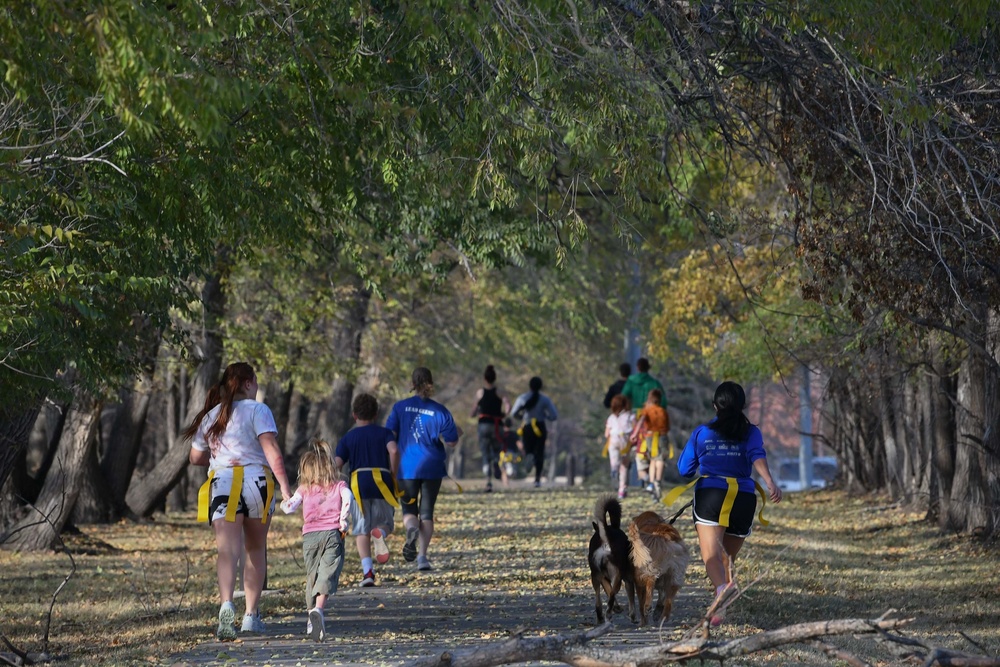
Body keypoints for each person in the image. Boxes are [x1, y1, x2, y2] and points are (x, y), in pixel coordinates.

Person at [185, 362, 293, 641]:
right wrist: (286, 489)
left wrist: (221, 456)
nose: (256, 387)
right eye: (255, 382)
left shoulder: (212, 415)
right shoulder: (259, 410)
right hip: (257, 482)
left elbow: (195, 458)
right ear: (248, 383)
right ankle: (250, 616)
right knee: (255, 548)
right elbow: (273, 452)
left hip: (223, 483)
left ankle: (226, 606)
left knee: (226, 551)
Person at [675, 381, 782, 626]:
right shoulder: (751, 432)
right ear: (742, 406)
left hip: (711, 495)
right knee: (727, 559)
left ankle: (722, 589)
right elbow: (757, 454)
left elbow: (684, 470)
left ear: (715, 406)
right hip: (743, 499)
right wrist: (770, 482)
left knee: (712, 557)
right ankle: (719, 609)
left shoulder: (702, 433)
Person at [386, 367, 461, 571]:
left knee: (409, 510)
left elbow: (389, 435)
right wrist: (457, 431)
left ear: (412, 384)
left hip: (406, 467)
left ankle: (411, 530)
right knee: (427, 513)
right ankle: (422, 557)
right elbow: (452, 441)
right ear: (431, 383)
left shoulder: (400, 407)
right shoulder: (440, 411)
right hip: (432, 467)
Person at [280, 440, 352, 643]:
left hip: (309, 536)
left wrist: (286, 499)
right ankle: (318, 610)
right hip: (332, 534)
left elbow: (289, 508)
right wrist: (343, 520)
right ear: (330, 466)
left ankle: (311, 619)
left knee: (312, 576)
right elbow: (348, 499)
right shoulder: (339, 485)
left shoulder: (304, 488)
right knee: (327, 574)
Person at [334, 393, 400, 588]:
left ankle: (368, 572)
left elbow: (337, 464)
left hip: (358, 485)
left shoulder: (348, 437)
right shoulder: (385, 433)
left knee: (361, 530)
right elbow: (394, 451)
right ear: (376, 414)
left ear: (355, 415)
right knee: (385, 522)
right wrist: (393, 473)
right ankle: (380, 532)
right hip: (382, 482)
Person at [509, 376, 558, 488]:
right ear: (541, 387)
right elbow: (554, 415)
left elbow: (513, 413)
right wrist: (545, 416)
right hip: (540, 427)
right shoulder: (545, 400)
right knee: (540, 452)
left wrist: (521, 416)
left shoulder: (522, 398)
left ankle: (529, 456)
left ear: (529, 386)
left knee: (528, 450)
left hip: (527, 426)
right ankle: (537, 479)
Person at [470, 364, 510, 493]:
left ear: (484, 379)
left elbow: (473, 411)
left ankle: (488, 481)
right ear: (494, 378)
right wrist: (504, 413)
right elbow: (508, 405)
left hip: (483, 425)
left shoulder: (480, 393)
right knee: (497, 449)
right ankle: (496, 464)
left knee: (485, 452)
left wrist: (475, 413)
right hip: (497, 425)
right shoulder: (500, 392)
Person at [631, 388, 671, 498]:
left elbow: (641, 421)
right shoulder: (663, 411)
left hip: (650, 437)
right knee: (661, 459)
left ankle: (652, 483)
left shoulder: (647, 410)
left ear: (649, 399)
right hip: (662, 436)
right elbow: (667, 427)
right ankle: (658, 480)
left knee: (653, 459)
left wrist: (635, 433)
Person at [604, 394, 635, 498]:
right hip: (625, 442)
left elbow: (606, 434)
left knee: (614, 460)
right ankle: (622, 490)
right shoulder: (630, 416)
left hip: (613, 440)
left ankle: (614, 469)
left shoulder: (611, 418)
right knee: (624, 467)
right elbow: (635, 429)